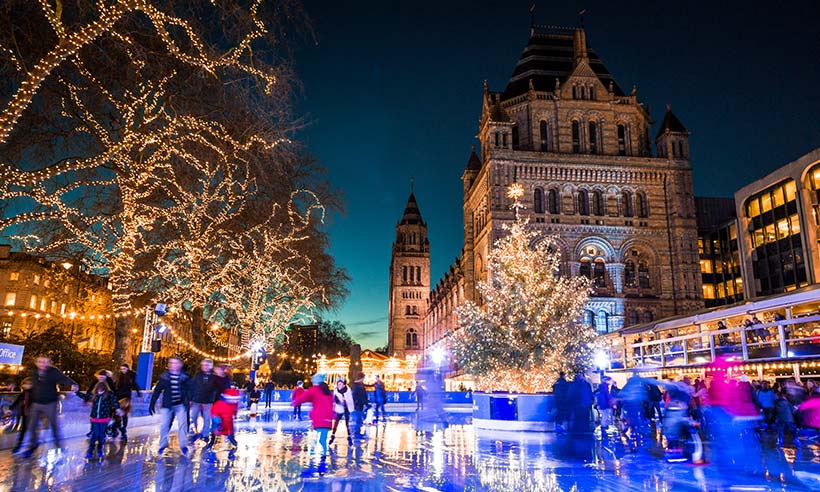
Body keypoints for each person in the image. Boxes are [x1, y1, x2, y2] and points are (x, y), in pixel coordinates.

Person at [15, 355, 78, 457]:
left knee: (54, 425)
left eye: (45, 362)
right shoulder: (34, 373)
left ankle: (59, 445)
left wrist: (72, 384)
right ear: (36, 363)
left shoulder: (53, 372)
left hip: (50, 403)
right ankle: (32, 446)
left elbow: (63, 378)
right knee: (31, 426)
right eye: (40, 362)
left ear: (49, 363)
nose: (43, 364)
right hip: (36, 403)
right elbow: (30, 385)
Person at [149, 357, 192, 455]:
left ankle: (183, 445)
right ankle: (163, 444)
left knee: (182, 425)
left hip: (180, 404)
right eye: (171, 363)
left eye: (175, 363)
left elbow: (191, 389)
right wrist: (152, 404)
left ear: (180, 365)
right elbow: (157, 390)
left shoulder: (185, 377)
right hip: (167, 405)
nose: (173, 365)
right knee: (164, 425)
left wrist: (189, 400)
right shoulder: (165, 377)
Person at [292, 374, 334, 473]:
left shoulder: (314, 389)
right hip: (327, 420)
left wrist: (295, 402)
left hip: (318, 419)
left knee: (314, 439)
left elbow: (303, 397)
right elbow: (332, 404)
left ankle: (311, 459)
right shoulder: (328, 392)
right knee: (322, 439)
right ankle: (324, 454)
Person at [77, 381, 121, 459]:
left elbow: (115, 402)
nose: (100, 392)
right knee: (95, 434)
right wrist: (77, 392)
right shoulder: (94, 395)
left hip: (104, 418)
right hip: (94, 418)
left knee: (101, 434)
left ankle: (100, 448)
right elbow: (85, 396)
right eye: (98, 390)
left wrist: (118, 409)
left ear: (105, 390)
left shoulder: (109, 395)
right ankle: (90, 450)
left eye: (102, 390)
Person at [204, 388, 241, 457]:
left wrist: (234, 414)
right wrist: (218, 420)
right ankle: (213, 440)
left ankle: (232, 440)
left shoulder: (231, 404)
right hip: (220, 419)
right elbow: (214, 411)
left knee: (228, 431)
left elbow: (234, 409)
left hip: (227, 420)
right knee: (220, 430)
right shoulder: (221, 404)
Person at [189, 359, 217, 443]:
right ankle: (194, 432)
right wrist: (190, 398)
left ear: (211, 366)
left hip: (208, 401)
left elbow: (215, 389)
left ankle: (205, 435)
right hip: (196, 400)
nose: (205, 367)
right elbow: (192, 386)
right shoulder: (198, 375)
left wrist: (212, 398)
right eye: (204, 365)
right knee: (193, 417)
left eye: (207, 365)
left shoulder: (214, 377)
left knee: (207, 418)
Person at [112, 363, 139, 441]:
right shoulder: (118, 376)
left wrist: (138, 393)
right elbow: (114, 385)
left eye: (124, 369)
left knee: (124, 413)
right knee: (116, 413)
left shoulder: (131, 376)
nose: (123, 370)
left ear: (127, 369)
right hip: (118, 396)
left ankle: (123, 429)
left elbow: (134, 384)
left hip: (126, 397)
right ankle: (116, 428)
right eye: (121, 369)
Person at [9, 377, 33, 454]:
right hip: (25, 414)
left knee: (29, 430)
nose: (25, 385)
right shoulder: (24, 393)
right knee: (24, 430)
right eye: (24, 384)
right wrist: (11, 408)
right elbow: (17, 401)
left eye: (27, 384)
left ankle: (30, 445)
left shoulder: (34, 393)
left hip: (32, 414)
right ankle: (19, 445)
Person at [330, 378, 354, 445]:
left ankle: (349, 436)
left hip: (347, 408)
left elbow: (350, 399)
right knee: (336, 421)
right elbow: (335, 399)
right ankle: (333, 434)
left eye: (340, 384)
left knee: (347, 422)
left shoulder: (348, 391)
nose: (339, 386)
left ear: (343, 385)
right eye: (338, 384)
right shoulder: (336, 391)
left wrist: (347, 404)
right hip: (340, 408)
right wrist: (339, 403)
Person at [351, 372, 369, 439]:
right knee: (359, 419)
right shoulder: (358, 386)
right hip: (359, 404)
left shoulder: (357, 385)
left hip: (359, 404)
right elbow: (361, 396)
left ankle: (357, 432)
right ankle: (357, 433)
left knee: (359, 418)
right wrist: (365, 403)